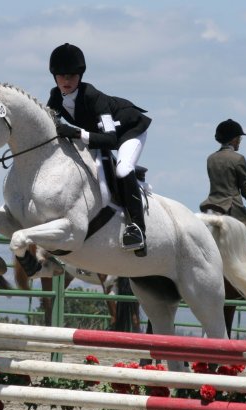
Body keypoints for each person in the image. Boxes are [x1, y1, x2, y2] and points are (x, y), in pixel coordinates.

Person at [47, 43, 152, 256]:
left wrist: (77, 133)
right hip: (99, 136)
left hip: (129, 131)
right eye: (61, 76)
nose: (66, 81)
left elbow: (111, 139)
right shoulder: (55, 97)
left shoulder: (94, 97)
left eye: (71, 76)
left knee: (123, 170)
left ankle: (137, 230)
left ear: (80, 75)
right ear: (55, 76)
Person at [200, 119, 246, 245]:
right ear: (233, 139)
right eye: (239, 138)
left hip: (211, 207)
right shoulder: (238, 159)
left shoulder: (211, 158)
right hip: (233, 209)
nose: (239, 142)